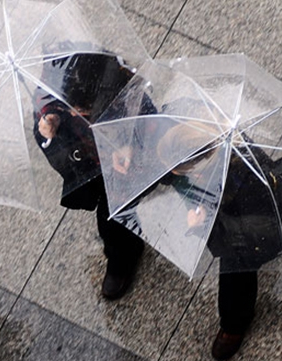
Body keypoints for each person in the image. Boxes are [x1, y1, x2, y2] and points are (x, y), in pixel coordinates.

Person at [156, 120, 282, 360]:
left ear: (199, 168)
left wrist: (203, 225)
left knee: (236, 273)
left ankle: (234, 325)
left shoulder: (243, 181)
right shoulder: (208, 141)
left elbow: (236, 238)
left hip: (257, 224)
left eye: (178, 170)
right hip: (235, 204)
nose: (173, 175)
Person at [33, 51, 145, 300]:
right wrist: (49, 133)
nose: (74, 113)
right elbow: (53, 146)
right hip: (89, 171)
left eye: (81, 110)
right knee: (109, 223)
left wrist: (127, 146)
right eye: (70, 108)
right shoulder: (57, 99)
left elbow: (150, 128)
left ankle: (122, 258)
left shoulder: (130, 100)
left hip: (121, 176)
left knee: (112, 221)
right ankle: (121, 250)